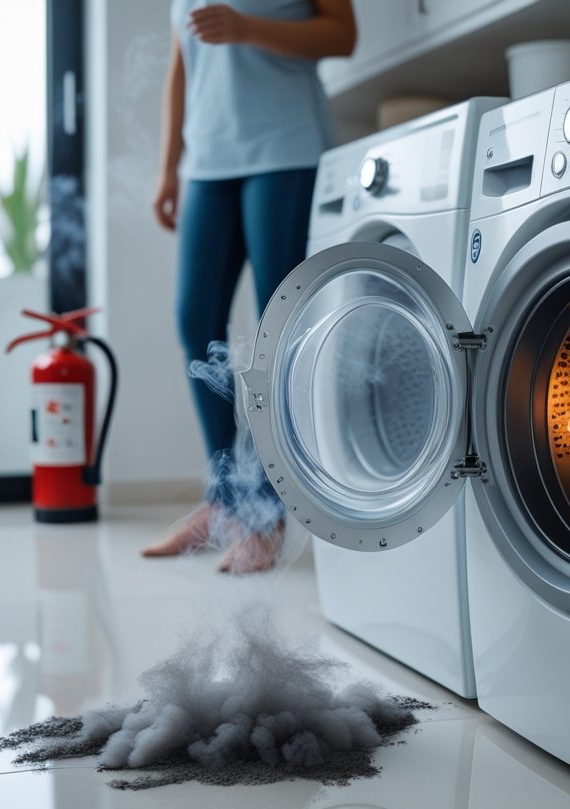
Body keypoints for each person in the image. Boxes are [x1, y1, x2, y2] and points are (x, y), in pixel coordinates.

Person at [141, 0, 357, 572]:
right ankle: (225, 500)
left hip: (283, 152)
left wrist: (246, 29)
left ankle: (266, 512)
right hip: (207, 164)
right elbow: (180, 67)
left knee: (276, 328)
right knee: (195, 320)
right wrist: (169, 167)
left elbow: (341, 34)